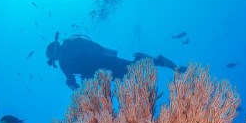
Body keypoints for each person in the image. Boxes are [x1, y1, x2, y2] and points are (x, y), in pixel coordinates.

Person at [46, 32, 181, 90]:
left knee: (131, 69)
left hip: (104, 62)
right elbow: (71, 79)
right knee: (128, 74)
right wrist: (71, 82)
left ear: (57, 50)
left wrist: (99, 60)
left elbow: (95, 48)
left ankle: (153, 60)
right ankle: (147, 60)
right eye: (53, 59)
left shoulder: (72, 45)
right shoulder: (63, 64)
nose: (56, 60)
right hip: (99, 73)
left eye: (54, 56)